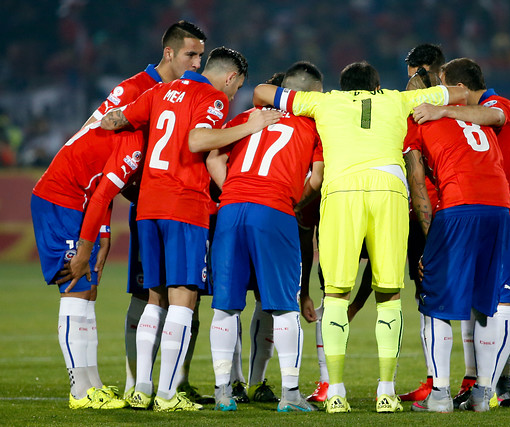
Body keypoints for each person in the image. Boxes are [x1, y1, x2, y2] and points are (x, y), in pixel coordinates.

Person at [253, 61, 467, 414]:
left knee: (336, 294)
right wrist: (434, 103)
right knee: (390, 295)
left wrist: (299, 98)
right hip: (389, 192)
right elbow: (459, 92)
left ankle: (335, 392)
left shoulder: (325, 102)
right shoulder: (398, 99)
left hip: (341, 192)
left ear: (343, 84)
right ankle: (386, 391)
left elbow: (261, 92)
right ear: (377, 84)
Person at [101, 46, 282, 412]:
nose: (233, 97)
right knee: (183, 299)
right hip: (184, 205)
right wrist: (252, 124)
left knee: (154, 298)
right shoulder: (212, 98)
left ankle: (141, 388)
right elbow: (197, 140)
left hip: (148, 206)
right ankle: (168, 395)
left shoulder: (158, 91)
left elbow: (114, 120)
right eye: (236, 88)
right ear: (230, 78)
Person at [416, 56, 510, 410]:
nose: (443, 95)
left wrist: (443, 112)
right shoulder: (495, 111)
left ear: (462, 88)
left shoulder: (496, 105)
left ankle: (490, 392)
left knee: (505, 301)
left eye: (446, 86)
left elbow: (492, 117)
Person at [83, 20, 211, 406]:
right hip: (164, 202)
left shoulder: (175, 92)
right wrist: (127, 183)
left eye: (201, 56)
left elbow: (119, 123)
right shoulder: (137, 87)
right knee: (152, 295)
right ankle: (136, 382)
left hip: (154, 204)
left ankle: (174, 381)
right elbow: (102, 133)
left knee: (176, 298)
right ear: (169, 52)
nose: (197, 63)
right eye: (191, 54)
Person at [208, 61, 324, 413]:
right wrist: (292, 202)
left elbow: (214, 156)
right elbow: (316, 178)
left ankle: (222, 392)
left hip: (230, 209)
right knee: (284, 307)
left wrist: (234, 191)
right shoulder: (313, 126)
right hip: (273, 209)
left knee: (225, 306)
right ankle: (290, 395)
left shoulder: (249, 116)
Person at [406, 65, 510, 413]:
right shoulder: (473, 112)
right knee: (484, 302)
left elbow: (418, 181)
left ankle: (439, 396)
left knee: (436, 302)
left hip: (460, 204)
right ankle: (483, 394)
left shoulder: (419, 119)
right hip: (499, 204)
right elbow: (496, 116)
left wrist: (429, 240)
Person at [31, 121, 144, 410]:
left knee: (89, 291)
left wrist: (103, 234)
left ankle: (93, 384)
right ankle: (80, 391)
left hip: (76, 201)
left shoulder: (131, 137)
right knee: (76, 289)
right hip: (61, 200)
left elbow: (99, 191)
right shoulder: (135, 147)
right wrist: (85, 248)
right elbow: (104, 194)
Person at [399, 42, 446, 404]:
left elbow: (417, 176)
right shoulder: (459, 103)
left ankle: (439, 384)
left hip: (431, 211)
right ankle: (474, 381)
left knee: (431, 297)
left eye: (412, 71)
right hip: (458, 207)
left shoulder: (415, 110)